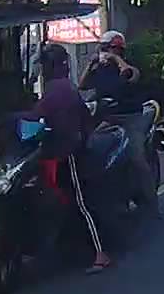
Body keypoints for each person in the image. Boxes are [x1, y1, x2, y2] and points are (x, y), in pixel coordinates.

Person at [30, 43, 111, 273]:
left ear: (51, 66)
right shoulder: (65, 86)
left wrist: (11, 119)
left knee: (82, 204)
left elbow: (37, 115)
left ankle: (101, 254)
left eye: (44, 65)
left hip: (70, 153)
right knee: (67, 201)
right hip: (70, 150)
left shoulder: (57, 89)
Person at [79, 30, 159, 217]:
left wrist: (116, 60)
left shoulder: (128, 66)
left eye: (111, 49)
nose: (106, 52)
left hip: (130, 117)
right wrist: (91, 63)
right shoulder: (99, 69)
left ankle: (152, 204)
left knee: (137, 158)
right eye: (104, 48)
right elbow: (82, 85)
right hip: (107, 117)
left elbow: (132, 76)